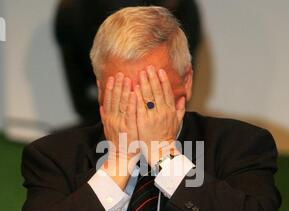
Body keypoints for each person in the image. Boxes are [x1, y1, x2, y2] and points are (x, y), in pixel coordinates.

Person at [20, 6, 281, 211]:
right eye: (121, 93)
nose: (137, 108)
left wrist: (164, 155)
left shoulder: (238, 144)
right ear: (100, 91)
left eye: (151, 92)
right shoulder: (55, 155)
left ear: (186, 82)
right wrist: (118, 163)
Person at [54, 0, 202, 126]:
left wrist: (162, 150)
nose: (136, 108)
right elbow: (81, 100)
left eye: (154, 84)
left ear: (186, 81)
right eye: (121, 89)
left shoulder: (216, 143)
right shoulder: (60, 153)